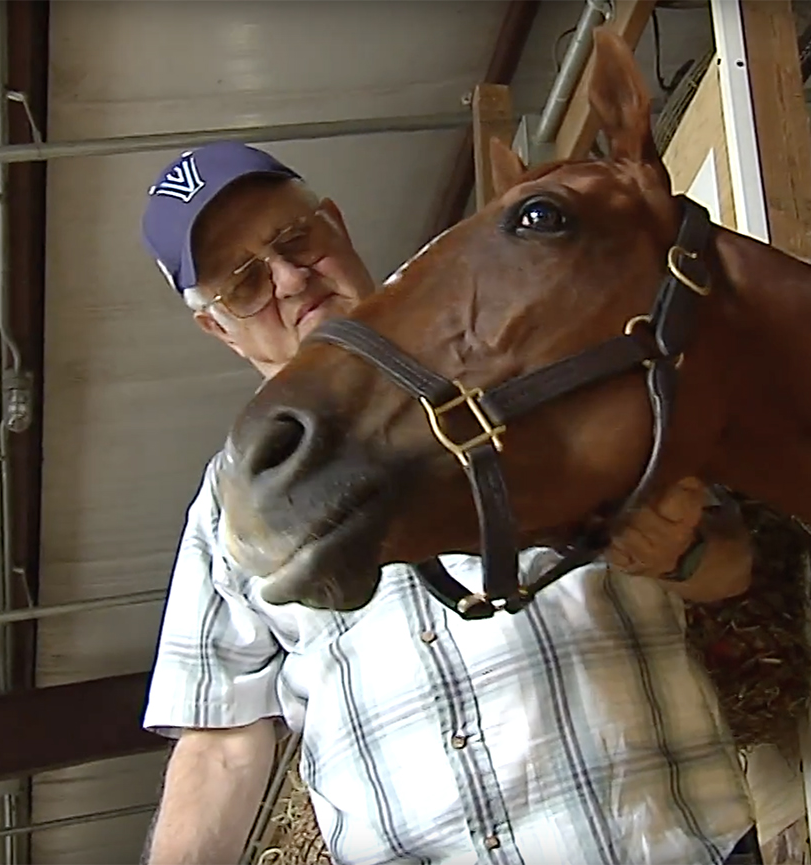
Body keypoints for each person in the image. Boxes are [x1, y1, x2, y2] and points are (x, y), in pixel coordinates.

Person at [136, 141, 762, 865]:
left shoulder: (515, 334)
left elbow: (733, 562)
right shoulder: (230, 501)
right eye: (244, 282)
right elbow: (219, 741)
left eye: (295, 239)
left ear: (335, 223)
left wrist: (681, 552)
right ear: (217, 326)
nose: (287, 278)